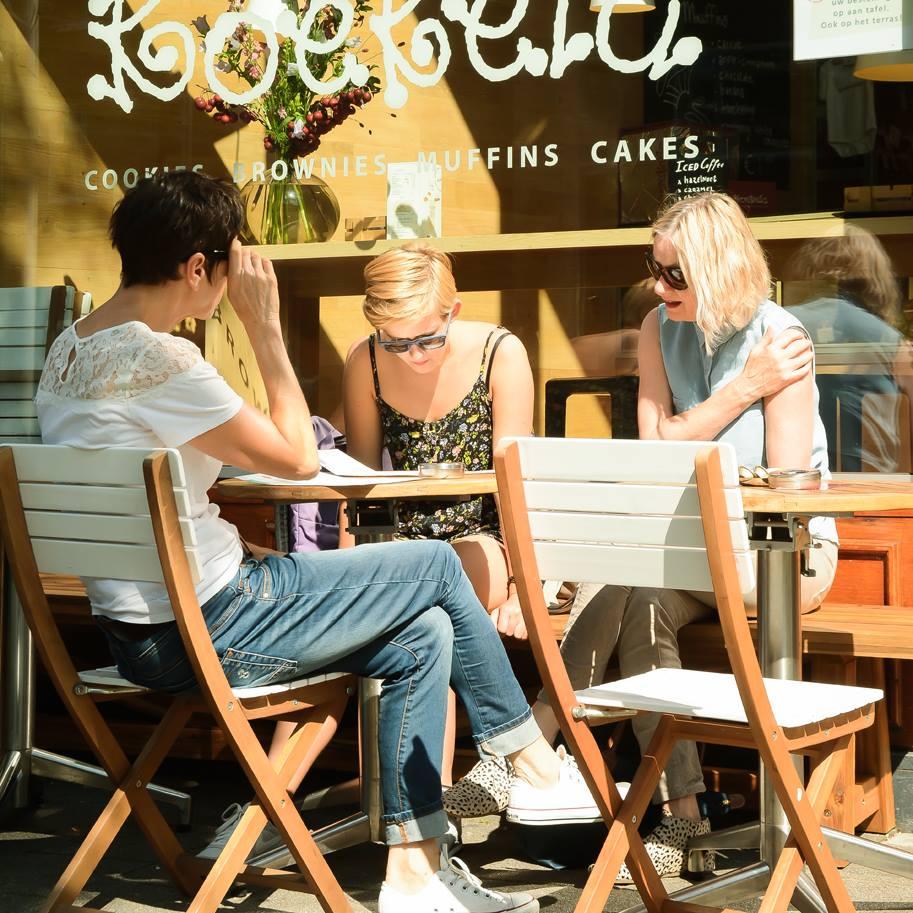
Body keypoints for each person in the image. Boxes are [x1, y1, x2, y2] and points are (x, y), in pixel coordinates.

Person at [34, 171, 600, 913]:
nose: (238, 279)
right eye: (233, 263)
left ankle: (411, 876)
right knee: (434, 561)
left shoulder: (69, 352)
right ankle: (529, 758)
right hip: (217, 621)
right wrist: (265, 327)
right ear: (199, 267)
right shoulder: (162, 359)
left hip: (136, 633)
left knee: (423, 633)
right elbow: (299, 456)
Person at [528, 191, 840, 883]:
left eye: (675, 274)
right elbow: (652, 451)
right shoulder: (655, 325)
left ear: (719, 270)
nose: (658, 285)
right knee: (638, 594)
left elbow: (782, 496)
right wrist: (738, 393)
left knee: (631, 570)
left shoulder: (779, 339)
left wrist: (716, 408)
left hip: (786, 556)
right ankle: (685, 808)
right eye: (654, 266)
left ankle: (534, 736)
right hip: (685, 551)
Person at [342, 242, 539, 817]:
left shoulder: (498, 352)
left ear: (453, 312)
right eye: (397, 341)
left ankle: (426, 793)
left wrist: (529, 589)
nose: (415, 354)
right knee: (399, 618)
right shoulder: (366, 360)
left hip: (483, 534)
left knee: (434, 610)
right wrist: (346, 568)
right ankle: (415, 798)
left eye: (428, 338)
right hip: (401, 538)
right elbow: (359, 485)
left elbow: (514, 485)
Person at [786, 226, 913, 473]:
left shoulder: (786, 323)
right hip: (872, 476)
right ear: (876, 275)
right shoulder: (886, 336)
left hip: (803, 472)